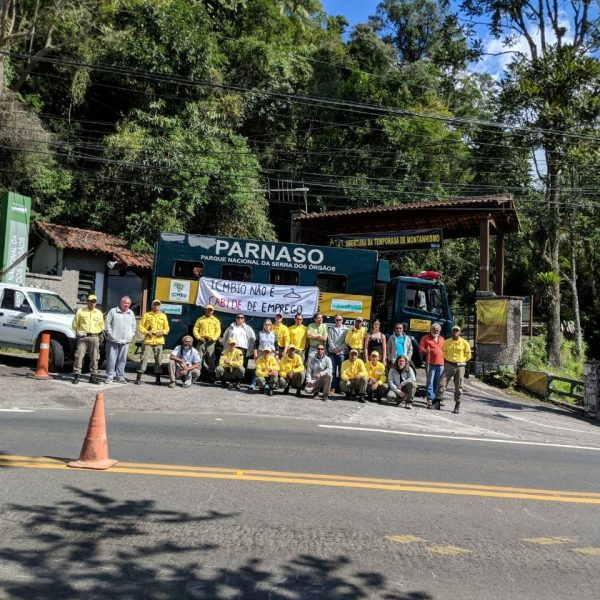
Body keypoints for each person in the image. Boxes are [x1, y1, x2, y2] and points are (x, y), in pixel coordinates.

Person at [434, 325, 472, 414]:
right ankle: (438, 402)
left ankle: (457, 405)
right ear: (451, 332)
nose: (455, 332)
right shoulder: (446, 342)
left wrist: (461, 361)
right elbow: (444, 352)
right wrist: (449, 360)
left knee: (459, 386)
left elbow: (468, 355)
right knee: (441, 383)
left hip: (460, 366)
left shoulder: (465, 343)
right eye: (454, 331)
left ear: (460, 332)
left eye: (457, 331)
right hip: (448, 364)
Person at [72, 293, 105, 385]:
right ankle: (77, 375)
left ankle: (93, 377)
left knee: (95, 357)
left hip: (94, 337)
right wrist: (78, 332)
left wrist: (99, 333)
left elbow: (102, 325)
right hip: (83, 337)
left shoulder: (99, 313)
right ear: (88, 302)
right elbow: (74, 324)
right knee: (79, 356)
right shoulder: (80, 311)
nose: (93, 303)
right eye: (91, 301)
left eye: (94, 302)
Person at [135, 299, 170, 385]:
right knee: (143, 358)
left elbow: (167, 328)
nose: (156, 306)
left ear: (160, 306)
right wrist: (147, 332)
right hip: (148, 340)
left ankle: (158, 380)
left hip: (159, 341)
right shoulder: (147, 315)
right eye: (155, 304)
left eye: (158, 305)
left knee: (158, 360)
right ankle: (138, 378)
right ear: (152, 305)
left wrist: (162, 333)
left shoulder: (163, 316)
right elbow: (141, 326)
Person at [104, 295, 137, 384]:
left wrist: (130, 336)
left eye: (128, 303)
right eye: (125, 303)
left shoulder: (131, 313)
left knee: (122, 359)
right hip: (113, 340)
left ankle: (120, 376)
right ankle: (110, 377)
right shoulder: (113, 311)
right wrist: (111, 335)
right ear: (121, 303)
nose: (127, 305)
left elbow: (134, 326)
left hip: (125, 341)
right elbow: (107, 324)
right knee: (111, 359)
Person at [192, 304, 221, 382]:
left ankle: (211, 376)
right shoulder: (200, 319)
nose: (209, 311)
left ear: (213, 311)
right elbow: (195, 329)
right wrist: (199, 338)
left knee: (211, 358)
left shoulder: (216, 320)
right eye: (207, 310)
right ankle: (197, 375)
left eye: (210, 310)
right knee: (198, 358)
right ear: (205, 310)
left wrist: (213, 339)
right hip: (201, 341)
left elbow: (218, 331)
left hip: (211, 342)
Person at [419, 323, 445, 408]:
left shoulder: (442, 339)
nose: (435, 331)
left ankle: (435, 398)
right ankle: (430, 398)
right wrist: (425, 351)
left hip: (440, 364)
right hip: (430, 363)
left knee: (437, 382)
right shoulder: (425, 338)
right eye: (434, 329)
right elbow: (421, 349)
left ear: (440, 331)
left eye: (437, 330)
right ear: (431, 330)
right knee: (430, 382)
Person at [327, 314, 348, 394]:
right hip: (332, 352)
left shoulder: (346, 330)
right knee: (332, 370)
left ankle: (341, 388)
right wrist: (334, 349)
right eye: (337, 320)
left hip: (341, 353)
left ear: (342, 320)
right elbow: (329, 340)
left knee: (341, 371)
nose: (338, 321)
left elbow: (346, 341)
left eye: (340, 320)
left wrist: (339, 349)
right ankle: (333, 387)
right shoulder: (330, 329)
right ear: (334, 320)